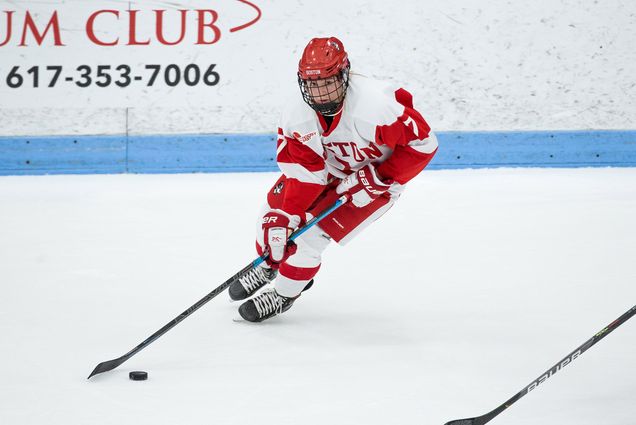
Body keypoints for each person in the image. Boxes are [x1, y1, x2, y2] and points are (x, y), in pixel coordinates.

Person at [229, 36, 438, 322]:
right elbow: (304, 171)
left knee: (309, 239)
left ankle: (285, 294)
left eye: (327, 83)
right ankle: (269, 264)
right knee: (272, 217)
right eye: (313, 85)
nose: (321, 94)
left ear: (344, 74)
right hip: (328, 170)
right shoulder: (295, 112)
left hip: (375, 182)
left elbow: (423, 144)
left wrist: (380, 176)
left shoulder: (374, 106)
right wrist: (287, 215)